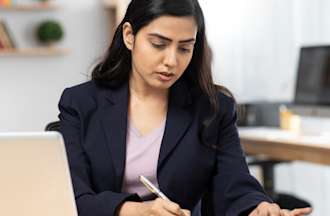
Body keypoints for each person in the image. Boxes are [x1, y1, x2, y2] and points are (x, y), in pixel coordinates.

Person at [58, 0, 313, 215]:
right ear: (129, 36)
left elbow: (234, 183)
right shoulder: (80, 103)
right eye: (158, 44)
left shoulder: (214, 108)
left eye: (184, 48)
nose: (171, 61)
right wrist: (133, 211)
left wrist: (258, 207)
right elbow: (71, 194)